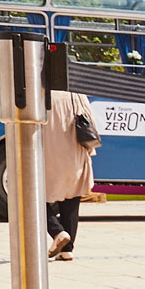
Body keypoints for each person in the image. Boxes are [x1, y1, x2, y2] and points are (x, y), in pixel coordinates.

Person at [44, 86, 97, 260]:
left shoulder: (40, 94)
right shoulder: (78, 94)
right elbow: (91, 125)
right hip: (75, 153)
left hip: (49, 153)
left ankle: (57, 232)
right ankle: (68, 249)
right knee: (72, 198)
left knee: (33, 198)